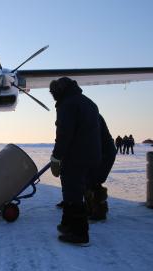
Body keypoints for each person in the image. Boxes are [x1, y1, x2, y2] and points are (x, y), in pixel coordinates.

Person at [49, 77, 102, 245]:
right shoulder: (88, 102)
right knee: (72, 189)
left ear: (59, 91)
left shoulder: (68, 104)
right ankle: (67, 225)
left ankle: (80, 234)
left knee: (73, 193)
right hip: (91, 155)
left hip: (76, 156)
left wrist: (57, 157)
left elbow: (64, 134)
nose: (53, 97)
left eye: (54, 93)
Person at [84, 115, 116, 221]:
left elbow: (92, 138)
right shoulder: (85, 114)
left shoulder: (91, 116)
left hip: (104, 152)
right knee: (87, 180)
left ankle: (99, 211)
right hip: (96, 151)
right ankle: (89, 208)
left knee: (94, 181)